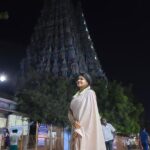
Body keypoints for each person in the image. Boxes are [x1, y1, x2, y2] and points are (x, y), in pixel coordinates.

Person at [68, 72, 106, 150]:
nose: (78, 80)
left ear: (87, 81)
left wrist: (79, 127)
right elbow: (69, 112)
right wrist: (73, 122)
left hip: (85, 128)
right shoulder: (74, 97)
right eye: (78, 79)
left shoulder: (90, 93)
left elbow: (89, 113)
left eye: (81, 79)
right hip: (75, 126)